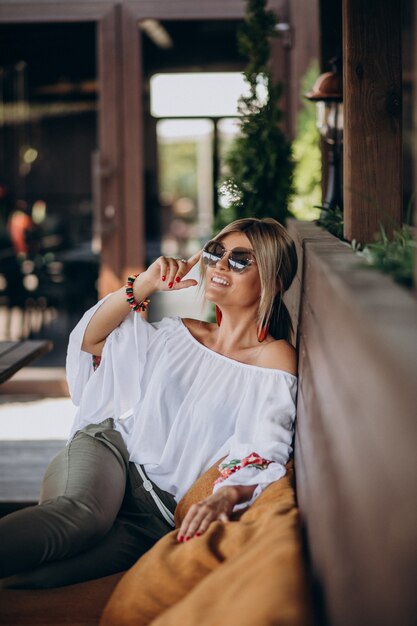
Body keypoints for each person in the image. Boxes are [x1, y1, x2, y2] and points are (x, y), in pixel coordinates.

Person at [0, 217, 298, 589]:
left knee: (36, 582)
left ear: (274, 280)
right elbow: (92, 342)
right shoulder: (178, 333)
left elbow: (264, 445)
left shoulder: (273, 360)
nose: (221, 265)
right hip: (112, 455)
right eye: (215, 252)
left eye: (240, 260)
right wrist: (144, 285)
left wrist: (227, 497)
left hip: (153, 520)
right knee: (80, 518)